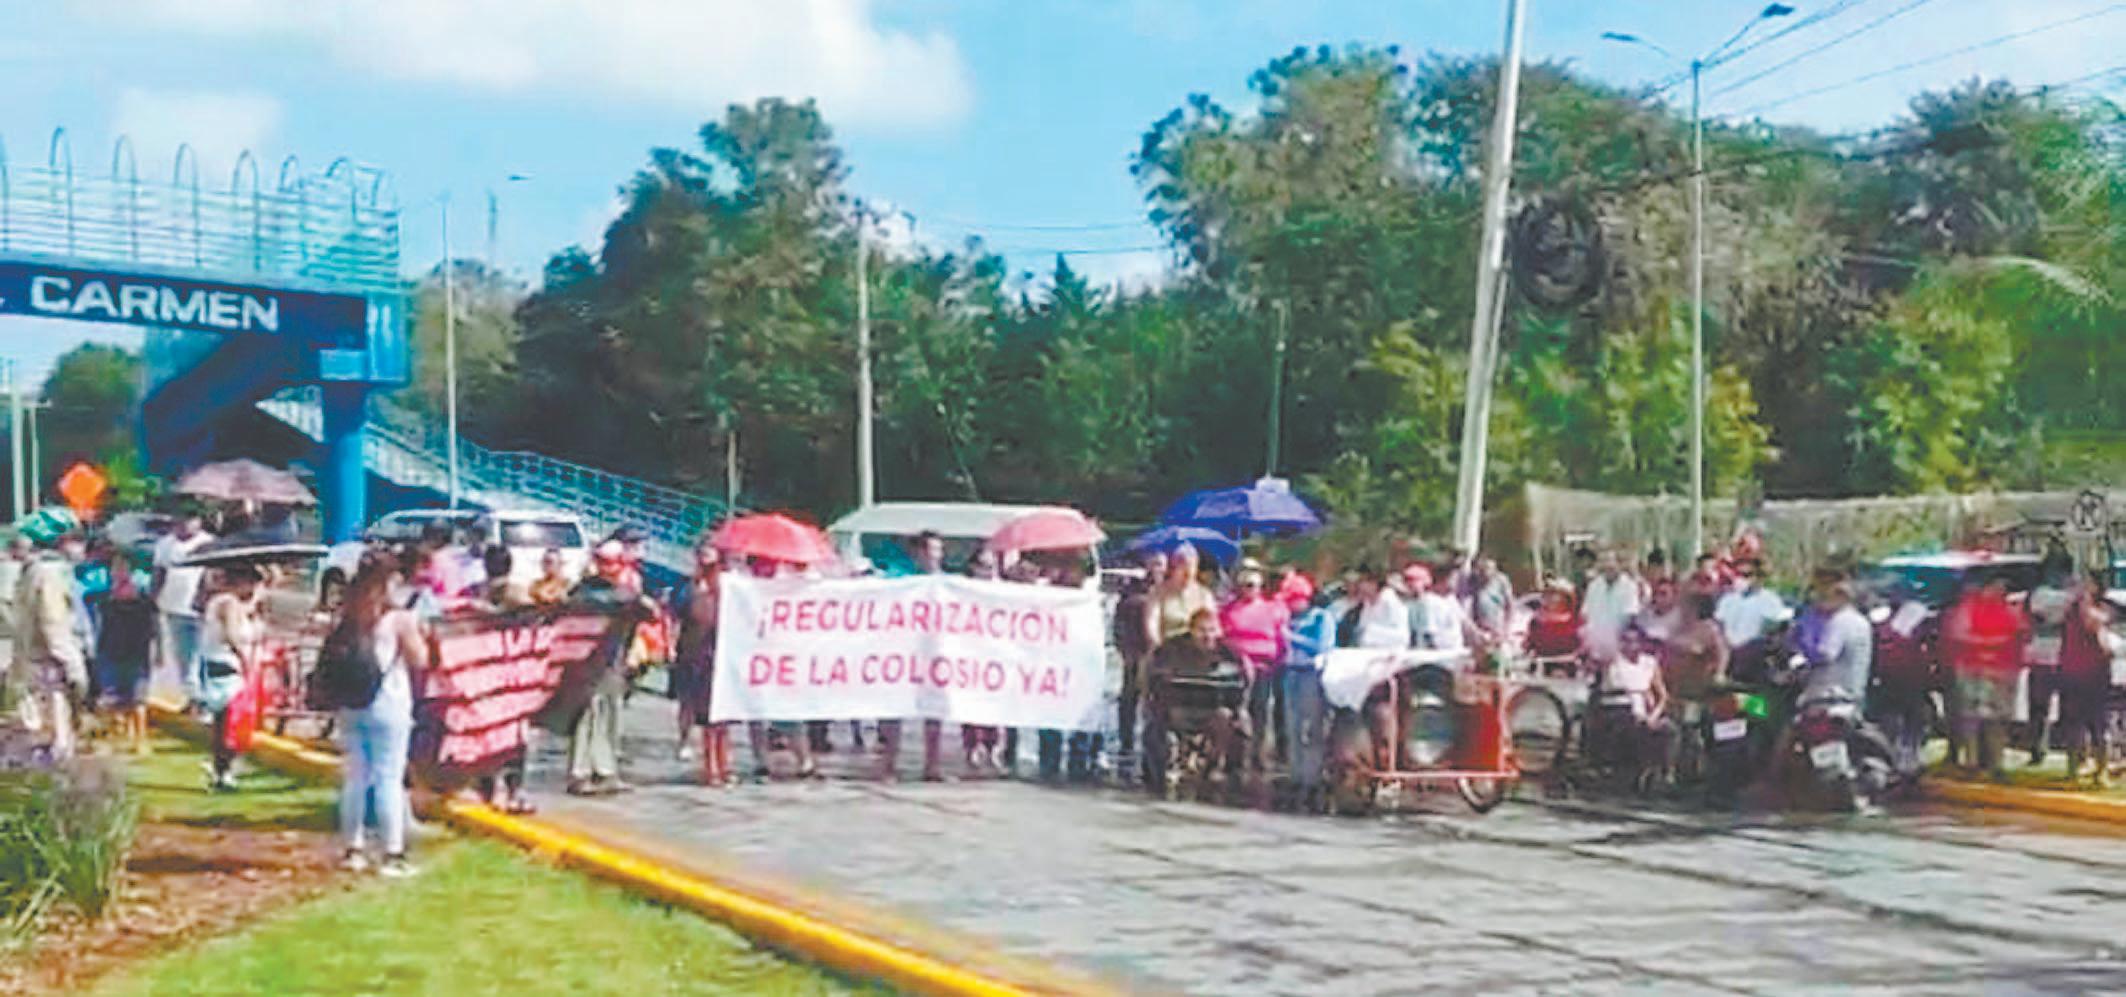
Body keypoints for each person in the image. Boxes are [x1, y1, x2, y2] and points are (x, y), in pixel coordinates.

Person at [334, 560, 430, 877]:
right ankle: (392, 853)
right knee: (389, 778)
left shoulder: (349, 617)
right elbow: (420, 660)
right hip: (389, 703)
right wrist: (421, 633)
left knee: (355, 777)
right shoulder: (399, 620)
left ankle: (353, 849)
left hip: (351, 702)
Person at [565, 542, 654, 795]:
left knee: (610, 716)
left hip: (613, 661)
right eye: (604, 562)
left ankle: (605, 770)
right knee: (586, 717)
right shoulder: (586, 592)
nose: (608, 568)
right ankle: (580, 772)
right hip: (587, 664)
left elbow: (649, 613)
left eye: (612, 563)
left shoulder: (622, 594)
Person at [1141, 609, 1244, 797]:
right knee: (1156, 722)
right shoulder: (1172, 649)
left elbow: (1240, 682)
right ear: (1191, 630)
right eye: (1202, 630)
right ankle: (1160, 772)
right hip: (1178, 708)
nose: (1207, 636)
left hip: (1212, 709)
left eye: (1212, 630)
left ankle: (1216, 767)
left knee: (1232, 720)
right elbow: (1156, 679)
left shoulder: (1228, 652)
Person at [12, 533, 91, 760]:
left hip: (35, 649)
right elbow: (51, 617)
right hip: (49, 650)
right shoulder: (49, 574)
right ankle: (59, 749)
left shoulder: (33, 572)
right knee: (57, 698)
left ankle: (49, 746)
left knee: (45, 700)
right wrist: (65, 654)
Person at [1941, 576, 2027, 780]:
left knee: (1999, 719)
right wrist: (1990, 642)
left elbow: (2022, 633)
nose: (2001, 590)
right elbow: (1958, 633)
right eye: (1996, 585)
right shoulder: (1969, 607)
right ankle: (1971, 761)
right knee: (1972, 717)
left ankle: (1997, 763)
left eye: (2003, 587)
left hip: (2002, 671)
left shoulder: (2010, 610)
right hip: (1973, 669)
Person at [878, 531, 947, 782]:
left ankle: (932, 766)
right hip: (902, 654)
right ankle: (888, 765)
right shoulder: (899, 579)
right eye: (930, 550)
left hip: (936, 654)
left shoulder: (948, 584)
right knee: (894, 712)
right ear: (918, 553)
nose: (935, 556)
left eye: (938, 550)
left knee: (935, 712)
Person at [198, 563, 265, 790]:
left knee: (226, 720)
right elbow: (232, 635)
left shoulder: (227, 603)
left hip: (219, 664)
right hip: (227, 665)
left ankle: (222, 768)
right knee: (229, 720)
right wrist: (245, 661)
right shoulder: (228, 604)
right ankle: (222, 769)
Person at [670, 536, 731, 787]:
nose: (706, 556)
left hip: (720, 656)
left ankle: (722, 765)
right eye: (702, 552)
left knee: (720, 717)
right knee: (694, 707)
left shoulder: (727, 585)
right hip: (692, 655)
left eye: (711, 551)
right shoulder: (688, 586)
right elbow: (675, 617)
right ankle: (708, 765)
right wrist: (671, 646)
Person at [1219, 567, 1288, 774]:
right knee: (1236, 712)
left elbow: (1281, 638)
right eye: (1245, 585)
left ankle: (1259, 754)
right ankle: (1235, 757)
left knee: (1261, 711)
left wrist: (1277, 662)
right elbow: (1222, 636)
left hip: (1265, 667)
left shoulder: (1272, 609)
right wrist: (1239, 656)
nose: (1249, 589)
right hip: (1236, 667)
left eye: (1253, 585)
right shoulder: (1229, 610)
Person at [93, 549, 157, 755]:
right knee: (111, 698)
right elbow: (101, 628)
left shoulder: (143, 600)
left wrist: (158, 651)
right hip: (110, 652)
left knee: (138, 700)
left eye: (123, 568)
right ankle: (113, 737)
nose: (119, 572)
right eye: (115, 568)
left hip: (137, 653)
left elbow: (153, 628)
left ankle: (140, 739)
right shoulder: (104, 599)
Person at [1279, 573, 1335, 808]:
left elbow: (1324, 646)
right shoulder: (1287, 618)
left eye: (1292, 600)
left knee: (1311, 728)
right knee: (1292, 726)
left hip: (1312, 675)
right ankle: (1296, 775)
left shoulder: (1321, 618)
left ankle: (1312, 777)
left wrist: (1293, 638)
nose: (1289, 605)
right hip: (1290, 673)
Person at [1870, 584, 1936, 777]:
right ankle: (1899, 758)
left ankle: (1903, 758)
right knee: (1900, 717)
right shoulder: (1893, 617)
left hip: (1902, 676)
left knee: (1905, 717)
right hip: (1897, 676)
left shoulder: (1913, 616)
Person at [2056, 571, 2115, 786]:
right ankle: (2073, 768)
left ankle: (2101, 770)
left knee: (2098, 723)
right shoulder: (2070, 610)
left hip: (2094, 674)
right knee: (2073, 723)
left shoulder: (2100, 612)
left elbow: (2102, 639)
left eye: (2087, 584)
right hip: (2072, 672)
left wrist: (2087, 606)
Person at [1112, 550, 1164, 781]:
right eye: (1154, 564)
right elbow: (1119, 623)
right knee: (1128, 700)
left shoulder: (1167, 593)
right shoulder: (1132, 592)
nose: (1157, 569)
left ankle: (1151, 747)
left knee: (1154, 704)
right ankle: (1126, 744)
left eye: (1161, 565)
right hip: (1133, 654)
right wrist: (1123, 648)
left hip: (1160, 658)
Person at [152, 512, 213, 704]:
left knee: (203, 655)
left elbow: (212, 575)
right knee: (184, 656)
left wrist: (205, 599)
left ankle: (205, 697)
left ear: (199, 521)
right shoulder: (165, 544)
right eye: (180, 519)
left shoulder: (208, 543)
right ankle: (192, 698)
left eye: (190, 519)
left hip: (203, 611)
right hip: (174, 607)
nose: (184, 524)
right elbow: (159, 573)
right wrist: (153, 600)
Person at [2022, 561, 2075, 766]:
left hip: (2042, 657)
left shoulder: (2037, 595)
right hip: (2063, 658)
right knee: (2067, 710)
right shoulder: (2073, 596)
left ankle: (2038, 749)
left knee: (2038, 708)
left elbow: (2033, 618)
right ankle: (2070, 753)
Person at [961, 550, 1005, 772]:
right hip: (969, 655)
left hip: (995, 656)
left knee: (995, 705)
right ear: (973, 567)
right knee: (970, 703)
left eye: (992, 566)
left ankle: (993, 748)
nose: (989, 571)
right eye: (985, 566)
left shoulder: (1003, 592)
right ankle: (973, 747)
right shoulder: (961, 591)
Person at [1714, 558, 1788, 682]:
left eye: (1747, 575)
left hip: (1754, 651)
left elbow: (1777, 628)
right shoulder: (1727, 599)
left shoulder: (1771, 600)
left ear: (1760, 577)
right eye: (1738, 574)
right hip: (1726, 651)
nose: (1740, 579)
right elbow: (1718, 625)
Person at [1580, 550, 1642, 664]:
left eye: (1610, 562)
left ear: (1619, 564)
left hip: (1620, 650)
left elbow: (1629, 616)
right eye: (1604, 562)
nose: (1607, 565)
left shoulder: (1629, 586)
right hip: (1595, 649)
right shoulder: (1594, 586)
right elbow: (1586, 614)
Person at [1151, 545, 1215, 645]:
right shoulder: (1158, 594)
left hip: (1198, 647)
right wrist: (1160, 648)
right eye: (1182, 568)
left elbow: (1212, 624)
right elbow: (1151, 626)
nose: (1187, 574)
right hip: (1169, 646)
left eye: (1192, 567)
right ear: (1173, 569)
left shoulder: (1205, 594)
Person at [1525, 582, 1582, 660]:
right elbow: (1530, 643)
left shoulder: (1576, 621)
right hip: (1541, 662)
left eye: (1555, 595)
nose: (1551, 598)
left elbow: (1582, 646)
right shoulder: (1536, 620)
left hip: (1569, 662)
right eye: (1548, 594)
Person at [1464, 555, 1514, 643]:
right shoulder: (1474, 581)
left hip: (1498, 626)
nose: (1486, 572)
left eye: (1489, 569)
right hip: (1480, 628)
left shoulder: (1501, 581)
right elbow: (1467, 607)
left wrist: (1506, 629)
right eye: (1483, 569)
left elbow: (1510, 606)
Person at [1634, 577, 1685, 648]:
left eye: (1663, 594)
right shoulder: (1645, 613)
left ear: (1674, 596)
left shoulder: (1680, 619)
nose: (1658, 597)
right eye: (1655, 593)